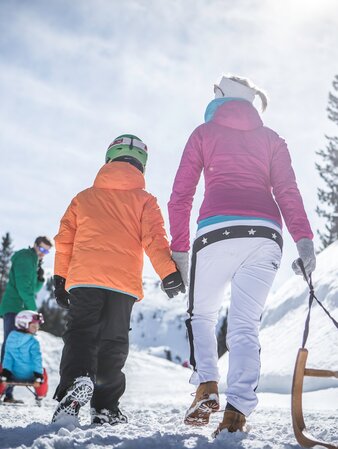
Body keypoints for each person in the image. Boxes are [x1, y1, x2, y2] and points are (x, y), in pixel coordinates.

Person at [168, 74, 316, 435]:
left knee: (201, 315)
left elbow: (181, 195)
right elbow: (288, 192)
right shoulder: (272, 139)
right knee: (246, 326)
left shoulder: (203, 134)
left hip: (216, 231)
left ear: (220, 97)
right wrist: (304, 241)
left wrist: (180, 251)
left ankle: (206, 385)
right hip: (266, 234)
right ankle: (236, 412)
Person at [52, 134, 185, 425]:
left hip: (85, 279)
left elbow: (65, 242)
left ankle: (76, 381)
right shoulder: (145, 200)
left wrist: (60, 277)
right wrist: (168, 273)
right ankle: (105, 407)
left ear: (109, 160)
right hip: (122, 284)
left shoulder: (84, 197)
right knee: (113, 341)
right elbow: (155, 240)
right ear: (142, 166)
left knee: (81, 333)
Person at [0, 236, 52, 403]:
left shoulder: (33, 261)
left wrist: (40, 277)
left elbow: (33, 288)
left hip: (20, 308)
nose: (43, 254)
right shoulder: (25, 257)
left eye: (47, 251)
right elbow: (23, 289)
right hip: (16, 308)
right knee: (10, 346)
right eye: (42, 249)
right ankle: (4, 389)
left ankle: (8, 393)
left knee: (17, 346)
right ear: (35, 245)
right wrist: (33, 314)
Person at [0, 310, 46, 401]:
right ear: (23, 324)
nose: (37, 328)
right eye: (34, 326)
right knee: (44, 372)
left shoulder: (11, 337)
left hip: (11, 374)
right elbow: (37, 359)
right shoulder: (34, 342)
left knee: (1, 368)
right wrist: (38, 375)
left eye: (37, 326)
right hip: (31, 376)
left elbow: (8, 357)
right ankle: (40, 394)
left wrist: (6, 372)